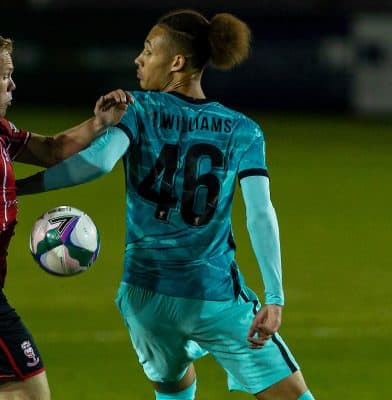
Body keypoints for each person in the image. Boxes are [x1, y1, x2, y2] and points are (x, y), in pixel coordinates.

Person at [16, 9, 315, 400]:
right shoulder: (243, 130)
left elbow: (99, 163)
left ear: (176, 62)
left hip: (145, 296)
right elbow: (260, 214)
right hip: (213, 295)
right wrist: (274, 298)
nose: (138, 60)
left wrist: (18, 188)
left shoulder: (138, 109)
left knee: (174, 385)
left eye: (148, 50)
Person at [0, 30, 132, 400]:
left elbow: (50, 149)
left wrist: (99, 123)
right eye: (6, 75)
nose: (13, 84)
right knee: (32, 395)